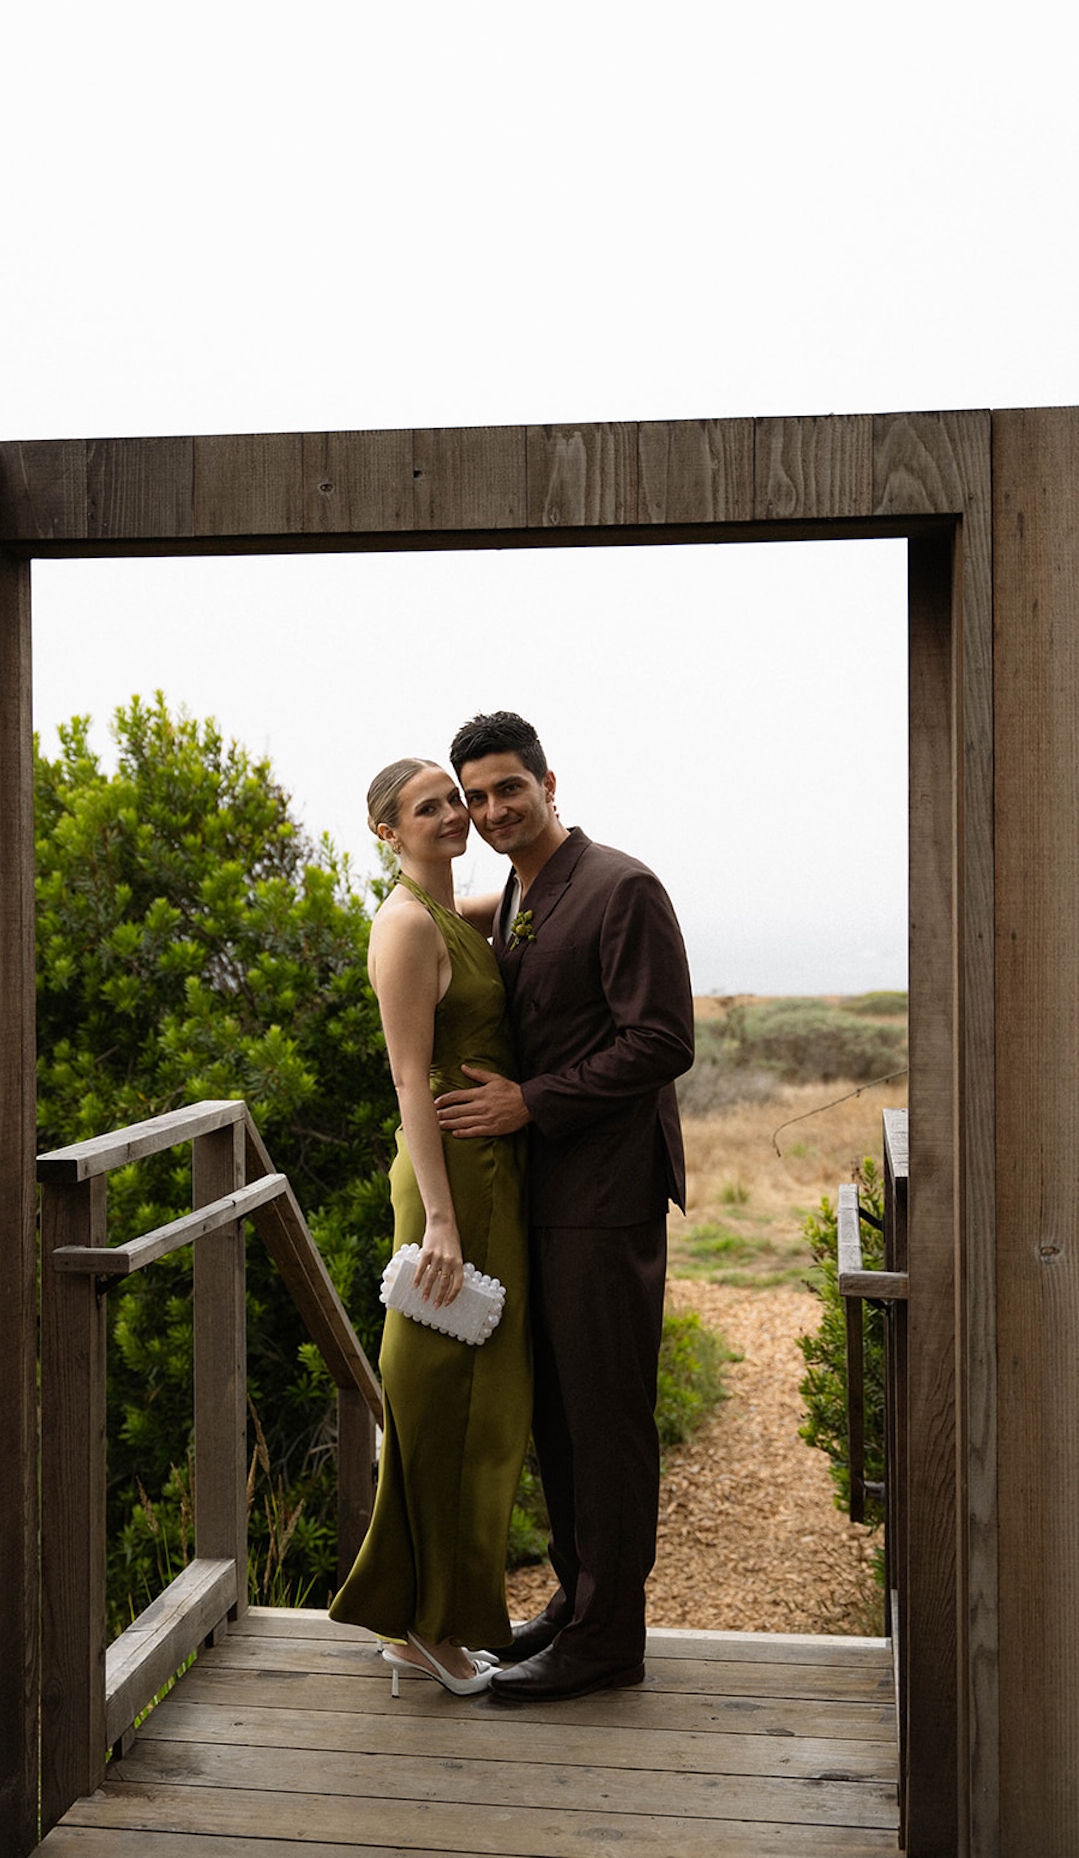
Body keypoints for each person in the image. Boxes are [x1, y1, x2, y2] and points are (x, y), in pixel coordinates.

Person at [436, 711, 694, 1702]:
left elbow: (662, 1040)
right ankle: (575, 1603)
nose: (494, 810)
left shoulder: (619, 886)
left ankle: (607, 1641)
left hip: (605, 1197)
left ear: (550, 781)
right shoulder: (514, 891)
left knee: (604, 1421)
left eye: (510, 789)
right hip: (545, 1201)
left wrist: (526, 1102)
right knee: (557, 1417)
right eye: (477, 797)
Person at [328, 757, 532, 1696]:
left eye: (456, 799)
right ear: (386, 832)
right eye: (430, 807)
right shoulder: (408, 926)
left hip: (488, 1173)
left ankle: (428, 1615)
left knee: (481, 1407)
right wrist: (441, 1222)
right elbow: (410, 1076)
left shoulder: (454, 911)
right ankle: (424, 1627)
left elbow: (532, 889)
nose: (455, 814)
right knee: (448, 1403)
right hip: (453, 1183)